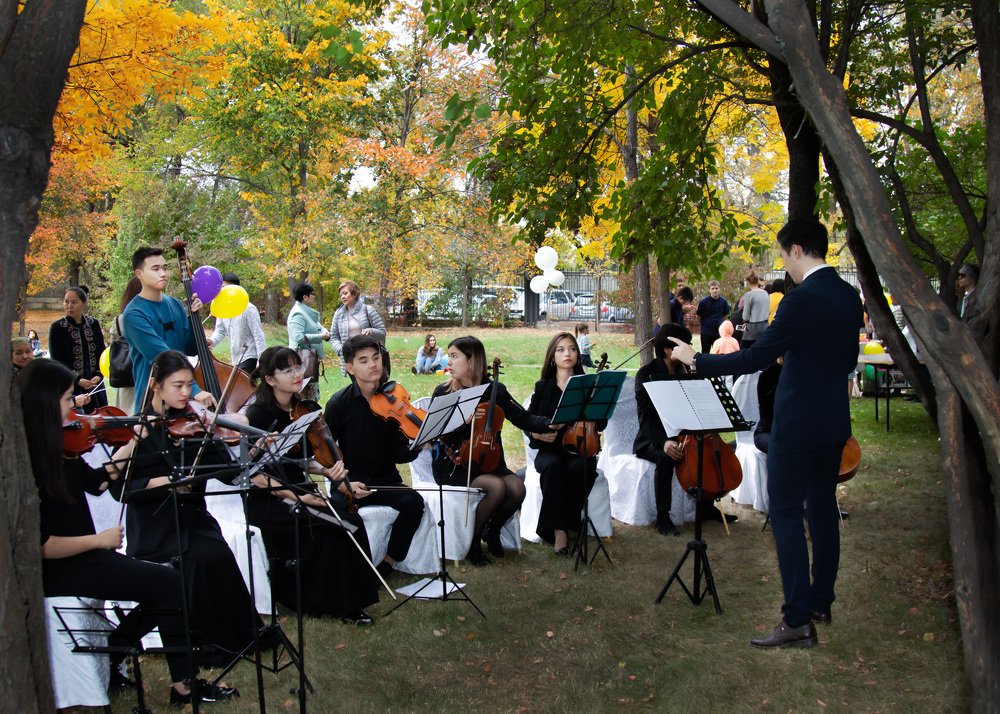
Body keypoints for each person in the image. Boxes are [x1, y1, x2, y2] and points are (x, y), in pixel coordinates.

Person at [668, 218, 864, 649]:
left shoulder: (799, 301)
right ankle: (820, 601)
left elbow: (754, 358)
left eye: (782, 254)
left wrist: (696, 360)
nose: (783, 264)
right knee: (824, 509)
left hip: (796, 426)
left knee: (788, 515)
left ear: (796, 249)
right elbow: (848, 357)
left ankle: (797, 620)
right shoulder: (849, 296)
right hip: (833, 421)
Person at [21, 358, 237, 705]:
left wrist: (132, 442)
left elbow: (98, 482)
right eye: (66, 399)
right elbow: (41, 545)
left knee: (168, 584)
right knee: (169, 584)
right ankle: (175, 681)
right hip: (64, 567)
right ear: (44, 403)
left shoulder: (60, 450)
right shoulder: (30, 463)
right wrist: (100, 540)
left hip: (87, 558)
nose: (75, 406)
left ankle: (122, 653)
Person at [123, 350, 259, 668]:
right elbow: (124, 490)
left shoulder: (194, 422)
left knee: (218, 551)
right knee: (201, 557)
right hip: (155, 525)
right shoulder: (140, 429)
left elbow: (227, 472)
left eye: (189, 386)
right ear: (155, 386)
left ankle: (235, 638)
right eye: (178, 386)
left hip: (192, 517)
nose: (187, 394)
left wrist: (237, 448)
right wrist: (167, 481)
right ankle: (203, 645)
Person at [246, 346, 380, 624]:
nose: (298, 374)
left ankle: (360, 590)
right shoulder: (257, 415)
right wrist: (301, 498)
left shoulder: (301, 410)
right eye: (288, 370)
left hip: (299, 490)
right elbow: (255, 475)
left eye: (298, 367)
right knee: (328, 529)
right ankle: (337, 604)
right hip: (270, 498)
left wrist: (328, 470)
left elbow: (299, 460)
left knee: (350, 520)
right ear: (269, 379)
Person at [430, 336, 552, 564]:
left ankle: (492, 530)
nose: (449, 360)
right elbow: (434, 434)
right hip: (455, 463)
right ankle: (473, 542)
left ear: (472, 360)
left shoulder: (495, 390)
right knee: (496, 487)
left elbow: (523, 418)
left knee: (517, 488)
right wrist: (462, 422)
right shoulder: (444, 392)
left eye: (455, 356)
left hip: (489, 460)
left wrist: (549, 422)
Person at [324, 335, 425, 579]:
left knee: (414, 503)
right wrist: (342, 484)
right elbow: (325, 452)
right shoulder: (338, 404)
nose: (373, 365)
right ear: (350, 367)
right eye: (364, 360)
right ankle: (351, 569)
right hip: (353, 481)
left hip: (385, 480)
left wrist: (419, 445)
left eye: (376, 358)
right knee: (337, 512)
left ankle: (388, 563)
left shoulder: (393, 399)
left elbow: (399, 454)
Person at [527, 333, 605, 553]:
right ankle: (561, 531)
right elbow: (529, 420)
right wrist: (537, 435)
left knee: (582, 468)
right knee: (554, 469)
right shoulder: (543, 387)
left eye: (571, 349)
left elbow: (601, 424)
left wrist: (596, 406)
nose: (567, 354)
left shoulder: (588, 385)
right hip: (550, 450)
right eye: (561, 349)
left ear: (578, 355)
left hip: (581, 447)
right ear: (553, 356)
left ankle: (565, 524)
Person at [122, 247, 214, 413]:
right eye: (155, 269)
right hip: (153, 401)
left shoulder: (176, 304)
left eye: (164, 268)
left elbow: (190, 349)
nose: (163, 273)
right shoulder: (133, 314)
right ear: (139, 274)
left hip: (181, 398)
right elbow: (161, 357)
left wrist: (195, 319)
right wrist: (194, 390)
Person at [48, 286, 108, 413]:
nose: (69, 306)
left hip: (94, 385)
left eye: (74, 302)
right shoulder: (57, 328)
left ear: (83, 303)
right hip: (70, 387)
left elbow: (102, 352)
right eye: (66, 301)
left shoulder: (93, 324)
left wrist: (98, 374)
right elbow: (56, 361)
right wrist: (77, 379)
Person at [208, 272, 267, 375]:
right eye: (222, 288)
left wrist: (262, 362)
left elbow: (258, 335)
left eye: (226, 288)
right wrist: (212, 341)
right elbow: (220, 330)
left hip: (249, 356)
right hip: (236, 358)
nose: (224, 291)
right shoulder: (222, 308)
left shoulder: (249, 309)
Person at [330, 280, 386, 377]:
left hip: (369, 358)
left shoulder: (367, 310)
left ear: (354, 294)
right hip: (351, 359)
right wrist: (341, 349)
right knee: (357, 389)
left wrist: (371, 331)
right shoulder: (338, 314)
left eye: (345, 293)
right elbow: (333, 336)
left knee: (372, 388)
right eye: (341, 295)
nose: (342, 296)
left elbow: (382, 332)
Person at [286, 282, 329, 402]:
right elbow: (299, 337)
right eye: (312, 294)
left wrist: (324, 332)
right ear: (305, 297)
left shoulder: (306, 311)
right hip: (302, 360)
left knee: (311, 393)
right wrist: (321, 337)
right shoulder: (298, 313)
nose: (314, 296)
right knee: (306, 395)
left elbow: (317, 326)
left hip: (309, 360)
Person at [112, 277, 142, 414]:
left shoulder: (119, 319)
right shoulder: (142, 317)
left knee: (126, 414)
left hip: (125, 373)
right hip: (140, 373)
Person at [696, 280, 730, 354]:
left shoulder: (724, 302)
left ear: (719, 289)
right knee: (705, 352)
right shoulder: (703, 302)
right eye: (712, 288)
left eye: (716, 288)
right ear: (709, 290)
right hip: (706, 333)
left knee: (719, 353)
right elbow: (698, 316)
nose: (715, 290)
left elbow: (725, 317)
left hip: (718, 333)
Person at [738, 272, 770, 348]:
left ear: (748, 282)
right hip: (765, 326)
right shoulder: (766, 293)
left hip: (752, 329)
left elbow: (745, 316)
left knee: (744, 352)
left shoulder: (749, 295)